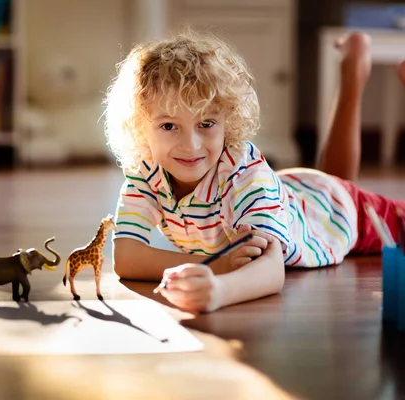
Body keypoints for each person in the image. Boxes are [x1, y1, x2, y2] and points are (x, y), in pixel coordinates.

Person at [103, 30, 405, 314]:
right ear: (142, 129)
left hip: (336, 210)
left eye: (206, 124)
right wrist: (215, 265)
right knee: (334, 180)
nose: (190, 145)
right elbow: (127, 258)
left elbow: (272, 269)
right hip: (297, 198)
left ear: (228, 121)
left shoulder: (242, 171)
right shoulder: (145, 171)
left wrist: (219, 289)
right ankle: (353, 65)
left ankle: (353, 67)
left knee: (341, 190)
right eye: (169, 126)